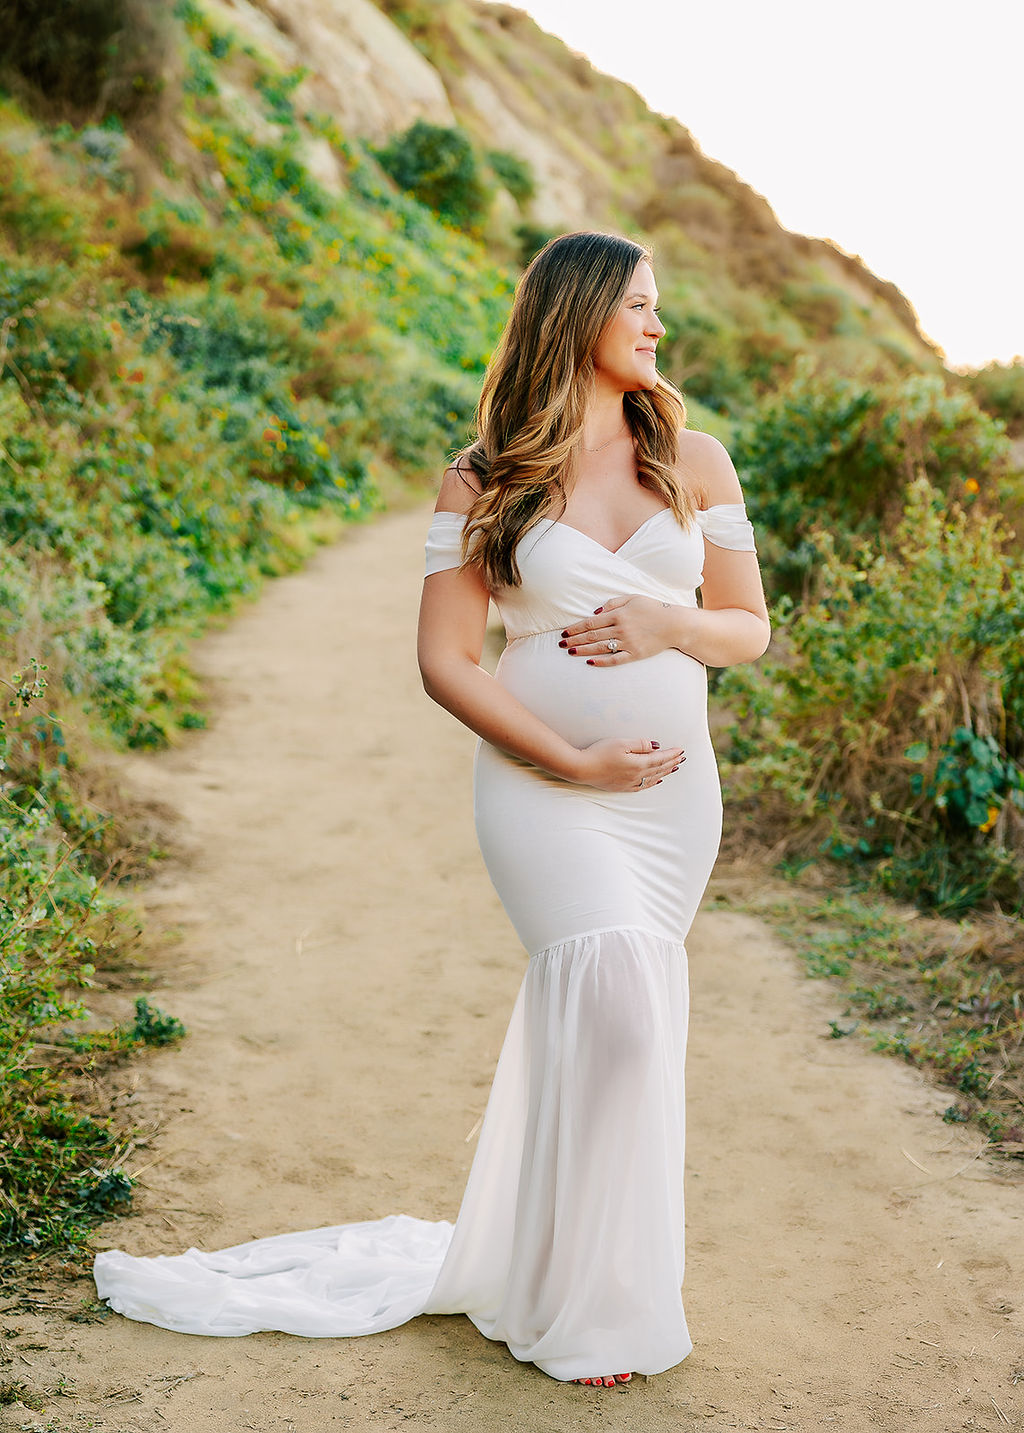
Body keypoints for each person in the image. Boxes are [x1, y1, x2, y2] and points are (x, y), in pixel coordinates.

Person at [93, 230, 769, 1389]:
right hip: (543, 791)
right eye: (640, 308)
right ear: (576, 315)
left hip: (670, 800)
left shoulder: (691, 457)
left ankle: (589, 1278)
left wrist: (667, 625)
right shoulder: (485, 476)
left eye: (659, 309)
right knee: (608, 1003)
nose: (658, 328)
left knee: (631, 1022)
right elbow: (448, 660)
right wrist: (569, 757)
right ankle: (586, 1303)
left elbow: (748, 628)